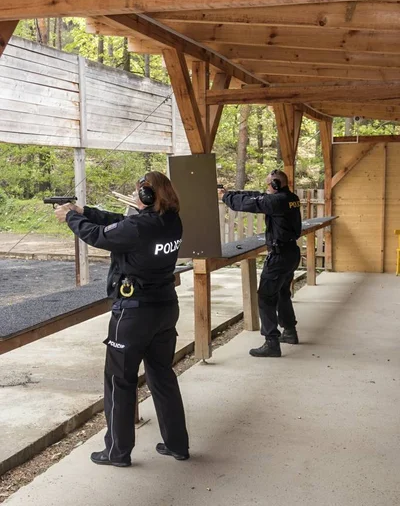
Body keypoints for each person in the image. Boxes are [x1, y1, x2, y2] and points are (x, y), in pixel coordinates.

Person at [54, 171, 189, 467]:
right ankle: (178, 444)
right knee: (162, 376)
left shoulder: (139, 227)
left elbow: (99, 236)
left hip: (134, 313)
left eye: (139, 192)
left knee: (119, 382)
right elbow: (120, 222)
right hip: (165, 307)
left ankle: (117, 452)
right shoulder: (171, 221)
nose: (136, 196)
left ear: (147, 196)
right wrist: (84, 211)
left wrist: (71, 218)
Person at [220, 169, 301, 358]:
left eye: (268, 184)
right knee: (282, 293)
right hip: (291, 253)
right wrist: (230, 193)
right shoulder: (290, 197)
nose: (266, 187)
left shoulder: (276, 201)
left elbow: (249, 204)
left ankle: (271, 342)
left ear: (275, 185)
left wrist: (226, 198)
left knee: (265, 297)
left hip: (280, 257)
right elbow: (256, 196)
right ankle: (289, 332)